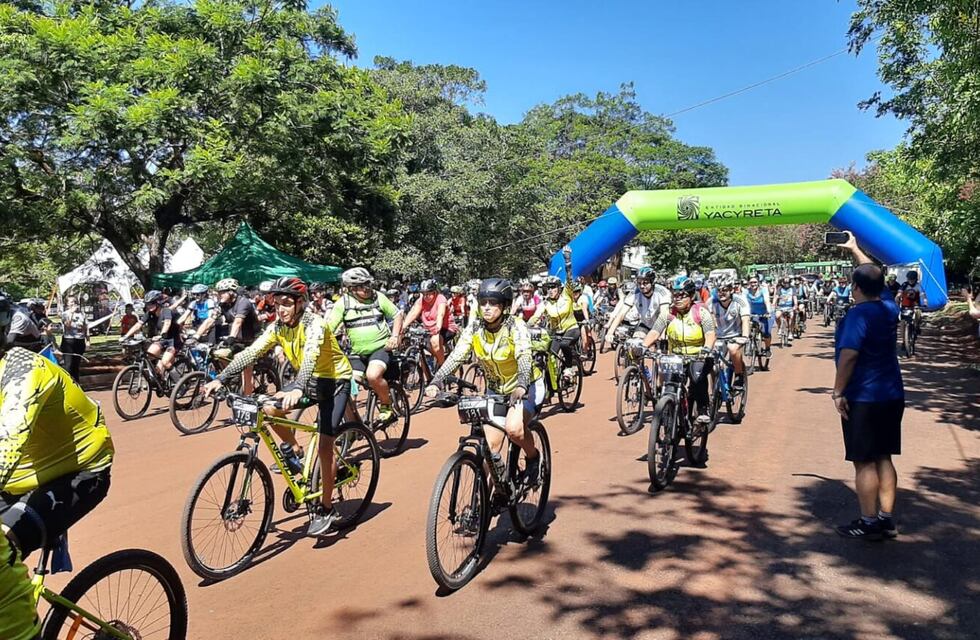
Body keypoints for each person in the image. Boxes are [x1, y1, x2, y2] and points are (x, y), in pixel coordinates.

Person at [203, 277, 353, 536]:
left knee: (326, 446)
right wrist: (221, 378)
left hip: (334, 381)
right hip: (307, 381)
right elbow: (250, 353)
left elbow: (310, 357)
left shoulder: (314, 324)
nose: (281, 309)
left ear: (299, 303)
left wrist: (297, 387)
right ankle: (296, 451)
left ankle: (327, 509)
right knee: (269, 409)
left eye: (286, 303)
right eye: (277, 304)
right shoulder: (277, 328)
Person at [425, 278, 543, 482]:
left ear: (505, 306)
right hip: (495, 391)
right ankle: (489, 499)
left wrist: (522, 384)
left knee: (514, 430)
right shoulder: (475, 328)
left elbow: (524, 357)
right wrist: (436, 381)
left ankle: (533, 458)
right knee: (490, 447)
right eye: (483, 303)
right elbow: (456, 356)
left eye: (493, 303)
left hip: (526, 387)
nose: (487, 308)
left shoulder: (516, 326)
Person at [832, 261, 905, 540]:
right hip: (891, 394)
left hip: (863, 396)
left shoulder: (857, 315)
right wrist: (854, 250)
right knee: (884, 455)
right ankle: (885, 518)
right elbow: (879, 283)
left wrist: (838, 392)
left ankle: (868, 521)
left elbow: (849, 355)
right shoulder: (889, 307)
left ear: (855, 288)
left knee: (863, 461)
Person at [327, 268, 403, 422]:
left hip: (380, 348)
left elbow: (397, 315)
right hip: (357, 353)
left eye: (368, 284)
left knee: (373, 375)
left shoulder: (378, 297)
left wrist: (394, 336)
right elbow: (328, 329)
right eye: (362, 286)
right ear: (351, 289)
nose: (367, 289)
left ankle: (386, 405)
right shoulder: (343, 304)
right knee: (345, 389)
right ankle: (353, 426)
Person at [642, 276, 716, 430]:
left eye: (681, 295)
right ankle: (670, 413)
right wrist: (643, 346)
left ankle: (702, 409)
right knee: (668, 385)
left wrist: (706, 349)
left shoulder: (701, 312)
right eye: (674, 295)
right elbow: (655, 332)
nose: (677, 299)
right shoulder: (668, 314)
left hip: (698, 356)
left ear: (690, 296)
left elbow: (710, 334)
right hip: (675, 358)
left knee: (697, 378)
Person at [529, 247, 579, 366]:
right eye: (548, 287)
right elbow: (536, 316)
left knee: (564, 345)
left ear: (559, 288)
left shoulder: (567, 295)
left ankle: (568, 367)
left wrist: (568, 261)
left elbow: (570, 279)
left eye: (553, 287)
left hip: (571, 328)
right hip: (556, 333)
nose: (551, 290)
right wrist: (526, 326)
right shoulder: (545, 303)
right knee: (548, 354)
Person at [602, 266, 670, 349]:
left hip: (662, 326)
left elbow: (664, 315)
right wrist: (610, 332)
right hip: (645, 324)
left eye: (645, 283)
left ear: (652, 282)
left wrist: (660, 333)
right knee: (635, 346)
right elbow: (621, 313)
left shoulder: (662, 292)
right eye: (639, 283)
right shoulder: (635, 292)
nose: (641, 286)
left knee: (661, 356)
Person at [121, 290, 182, 380]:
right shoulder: (149, 314)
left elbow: (167, 323)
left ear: (158, 302)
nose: (149, 306)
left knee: (165, 362)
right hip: (162, 340)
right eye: (148, 304)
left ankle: (180, 383)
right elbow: (138, 325)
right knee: (149, 354)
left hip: (174, 341)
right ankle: (158, 376)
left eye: (152, 303)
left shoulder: (166, 311)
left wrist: (162, 334)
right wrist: (126, 336)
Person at [403, 279, 458, 368]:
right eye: (424, 294)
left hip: (446, 327)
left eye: (428, 294)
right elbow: (413, 313)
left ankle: (442, 368)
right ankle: (428, 377)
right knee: (421, 351)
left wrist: (438, 327)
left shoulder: (441, 298)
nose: (426, 296)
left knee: (435, 340)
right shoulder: (421, 300)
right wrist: (403, 327)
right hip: (429, 329)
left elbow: (441, 314)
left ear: (435, 292)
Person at [710, 275, 750, 388]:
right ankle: (715, 392)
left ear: (731, 290)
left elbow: (745, 319)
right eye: (718, 290)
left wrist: (745, 336)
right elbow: (708, 321)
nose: (721, 293)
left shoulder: (740, 301)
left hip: (736, 335)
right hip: (719, 336)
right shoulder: (711, 302)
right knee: (714, 364)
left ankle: (739, 375)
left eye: (724, 290)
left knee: (733, 350)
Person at [60, 296, 88, 382]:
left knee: (76, 365)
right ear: (67, 304)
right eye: (71, 302)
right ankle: (67, 383)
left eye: (75, 301)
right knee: (68, 365)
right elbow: (67, 326)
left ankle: (76, 384)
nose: (73, 303)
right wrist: (71, 313)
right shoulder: (65, 314)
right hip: (69, 341)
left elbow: (86, 328)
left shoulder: (82, 314)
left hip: (79, 340)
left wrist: (88, 340)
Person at [898, 270, 927, 335]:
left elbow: (923, 295)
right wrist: (898, 297)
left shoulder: (918, 286)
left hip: (915, 305)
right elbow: (899, 292)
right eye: (909, 279)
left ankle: (917, 326)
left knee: (918, 314)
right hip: (905, 305)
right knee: (902, 322)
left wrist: (925, 303)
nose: (911, 281)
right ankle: (903, 340)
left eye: (912, 279)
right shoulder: (904, 285)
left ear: (916, 279)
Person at [773, 276, 797, 343]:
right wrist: (773, 304)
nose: (786, 284)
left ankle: (790, 333)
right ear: (783, 283)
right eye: (785, 283)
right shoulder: (780, 288)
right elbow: (776, 297)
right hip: (781, 306)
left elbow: (794, 297)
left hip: (790, 307)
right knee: (777, 316)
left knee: (792, 317)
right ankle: (779, 327)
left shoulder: (793, 288)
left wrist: (795, 305)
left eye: (788, 283)